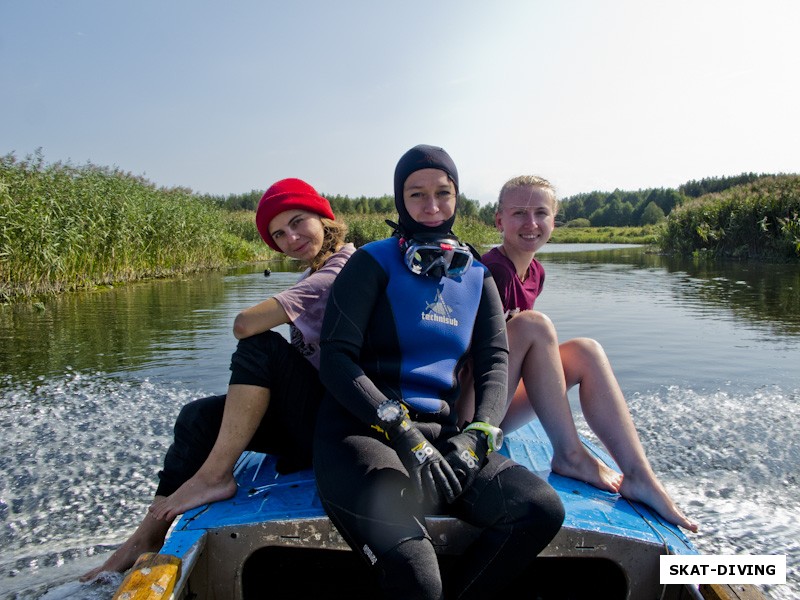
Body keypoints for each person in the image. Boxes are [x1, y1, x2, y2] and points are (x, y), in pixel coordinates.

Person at [313, 145, 565, 600]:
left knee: (538, 509)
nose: (431, 206)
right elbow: (335, 358)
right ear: (399, 201)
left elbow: (494, 361)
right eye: (417, 195)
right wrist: (402, 431)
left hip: (442, 436)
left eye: (443, 193)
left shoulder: (476, 275)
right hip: (363, 435)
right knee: (417, 579)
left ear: (457, 197)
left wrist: (477, 436)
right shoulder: (371, 263)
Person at [80, 178, 355, 581]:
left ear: (324, 216)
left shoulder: (343, 270)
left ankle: (214, 476)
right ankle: (145, 538)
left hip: (336, 424)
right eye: (279, 234)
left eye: (298, 222)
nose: (291, 238)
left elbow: (244, 324)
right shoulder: (316, 273)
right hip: (312, 417)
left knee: (260, 346)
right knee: (197, 419)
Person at [478, 174, 698, 533]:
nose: (531, 224)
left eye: (541, 213)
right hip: (473, 411)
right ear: (499, 220)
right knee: (535, 325)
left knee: (586, 350)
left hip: (499, 400)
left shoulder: (535, 272)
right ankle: (570, 454)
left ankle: (641, 476)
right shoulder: (490, 272)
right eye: (519, 213)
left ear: (554, 220)